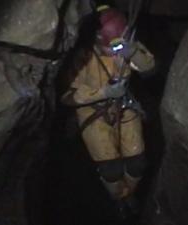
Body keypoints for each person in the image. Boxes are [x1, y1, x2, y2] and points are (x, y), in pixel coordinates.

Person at [61, 4, 155, 217]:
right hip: (93, 114)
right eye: (112, 48)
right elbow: (67, 96)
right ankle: (119, 198)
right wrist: (103, 93)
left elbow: (150, 69)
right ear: (98, 40)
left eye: (120, 47)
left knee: (138, 163)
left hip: (123, 107)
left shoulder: (126, 46)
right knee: (111, 169)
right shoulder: (83, 58)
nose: (116, 53)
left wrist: (135, 54)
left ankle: (129, 194)